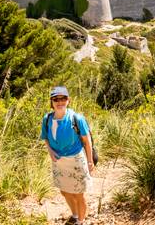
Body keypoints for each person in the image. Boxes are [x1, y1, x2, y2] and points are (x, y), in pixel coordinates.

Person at [41, 86, 95, 225]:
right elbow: (45, 137)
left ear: (68, 100)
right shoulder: (47, 119)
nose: (60, 102)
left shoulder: (77, 118)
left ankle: (81, 221)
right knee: (65, 192)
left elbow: (87, 141)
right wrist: (50, 151)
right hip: (58, 161)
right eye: (56, 99)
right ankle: (75, 215)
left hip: (76, 160)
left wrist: (90, 162)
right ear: (51, 102)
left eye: (63, 98)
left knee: (78, 194)